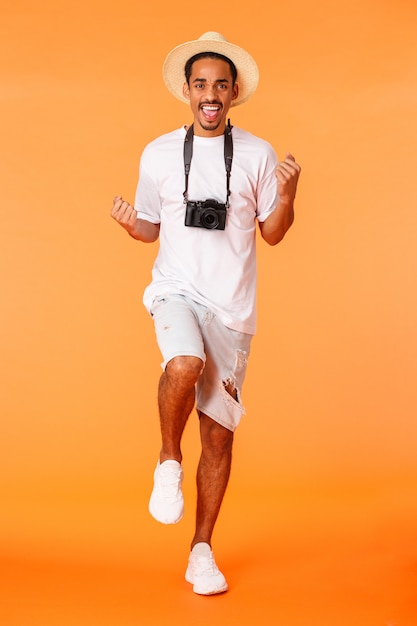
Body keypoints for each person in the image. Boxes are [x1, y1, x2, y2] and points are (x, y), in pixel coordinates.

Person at [111, 32, 300, 595]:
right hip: (176, 292)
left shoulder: (260, 154)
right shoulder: (160, 153)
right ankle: (168, 459)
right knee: (183, 363)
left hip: (234, 311)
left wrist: (289, 196)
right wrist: (129, 222)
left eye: (221, 84)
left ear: (234, 92)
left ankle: (201, 551)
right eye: (201, 84)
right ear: (188, 92)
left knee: (218, 438)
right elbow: (150, 228)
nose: (211, 93)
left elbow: (273, 233)